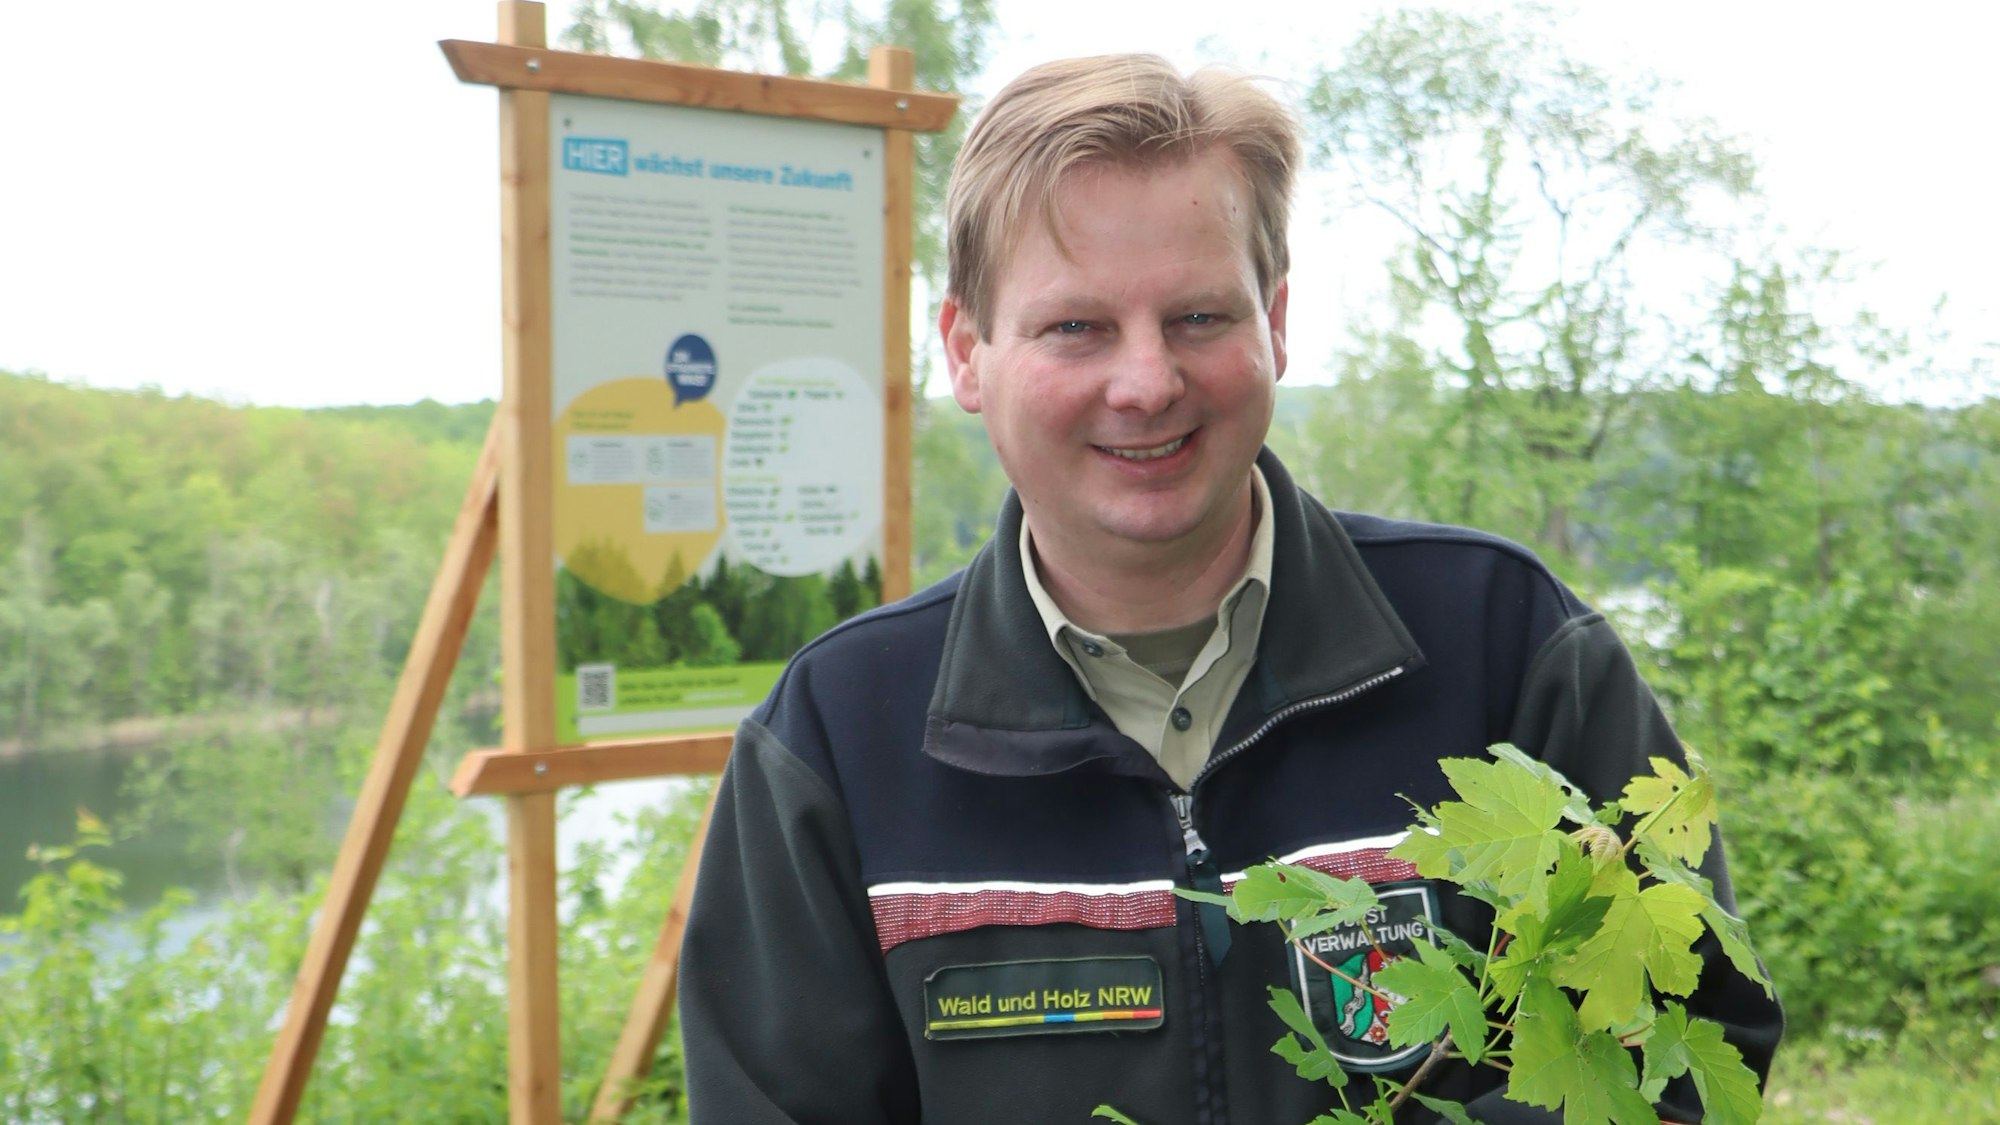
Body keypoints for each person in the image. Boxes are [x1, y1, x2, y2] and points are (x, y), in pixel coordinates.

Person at [679, 54, 1782, 1124]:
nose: (1146, 382)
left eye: (1198, 318)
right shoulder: (837, 737)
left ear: (1277, 324)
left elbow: (1683, 1055)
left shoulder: (1506, 649)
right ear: (966, 352)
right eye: (1076, 327)